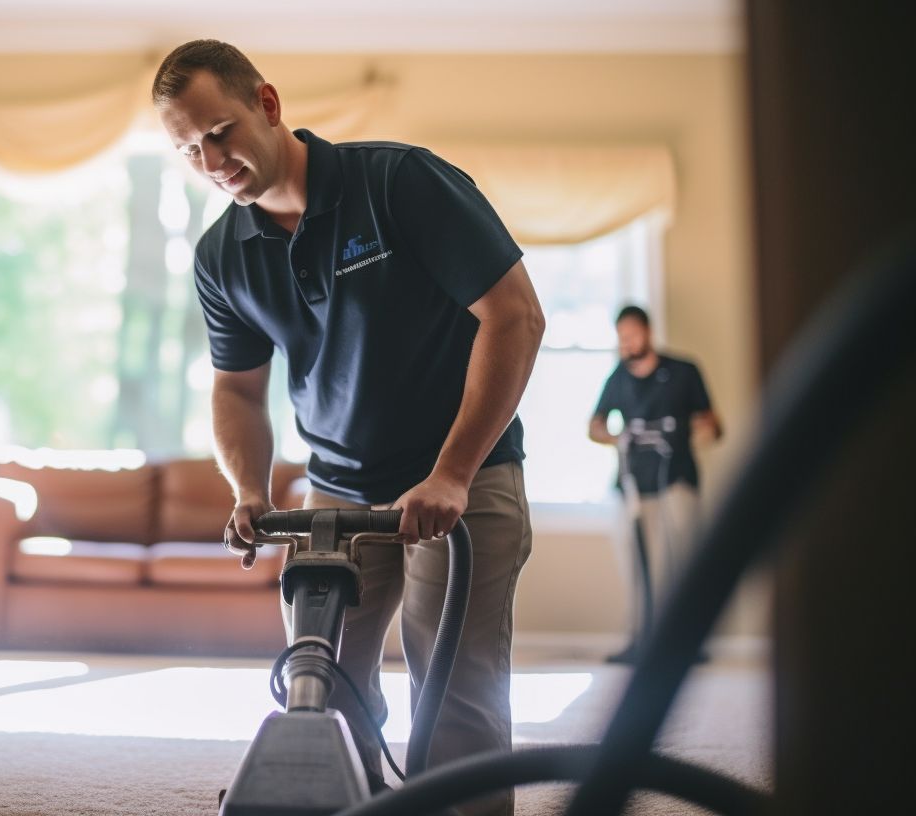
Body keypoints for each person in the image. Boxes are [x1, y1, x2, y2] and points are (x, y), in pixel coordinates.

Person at [153, 41, 545, 815]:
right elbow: (237, 388)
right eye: (190, 147)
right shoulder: (222, 254)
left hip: (461, 482)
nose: (211, 158)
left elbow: (516, 316)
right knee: (325, 689)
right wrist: (248, 489)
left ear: (267, 104)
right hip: (336, 495)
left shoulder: (399, 183)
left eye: (221, 132)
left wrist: (454, 472)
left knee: (454, 703)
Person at [589, 305, 722, 661]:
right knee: (636, 565)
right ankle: (639, 641)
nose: (627, 342)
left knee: (683, 561)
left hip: (676, 479)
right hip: (633, 485)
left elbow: (712, 423)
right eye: (621, 337)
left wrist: (693, 435)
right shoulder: (618, 378)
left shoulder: (683, 371)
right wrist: (620, 439)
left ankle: (685, 643)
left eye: (632, 334)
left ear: (648, 331)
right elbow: (595, 426)